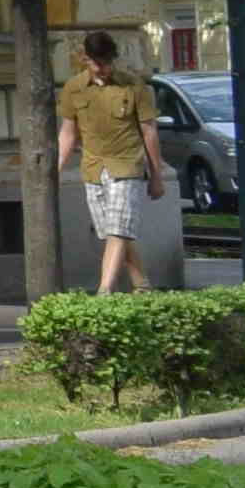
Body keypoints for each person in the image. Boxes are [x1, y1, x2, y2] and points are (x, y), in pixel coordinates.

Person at [63, 31, 161, 292]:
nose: (104, 68)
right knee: (111, 232)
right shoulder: (73, 88)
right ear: (86, 59)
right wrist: (54, 170)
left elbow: (149, 131)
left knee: (118, 230)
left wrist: (157, 176)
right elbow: (68, 133)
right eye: (98, 63)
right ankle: (142, 285)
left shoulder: (133, 86)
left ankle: (104, 291)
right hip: (94, 169)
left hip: (127, 165)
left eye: (108, 62)